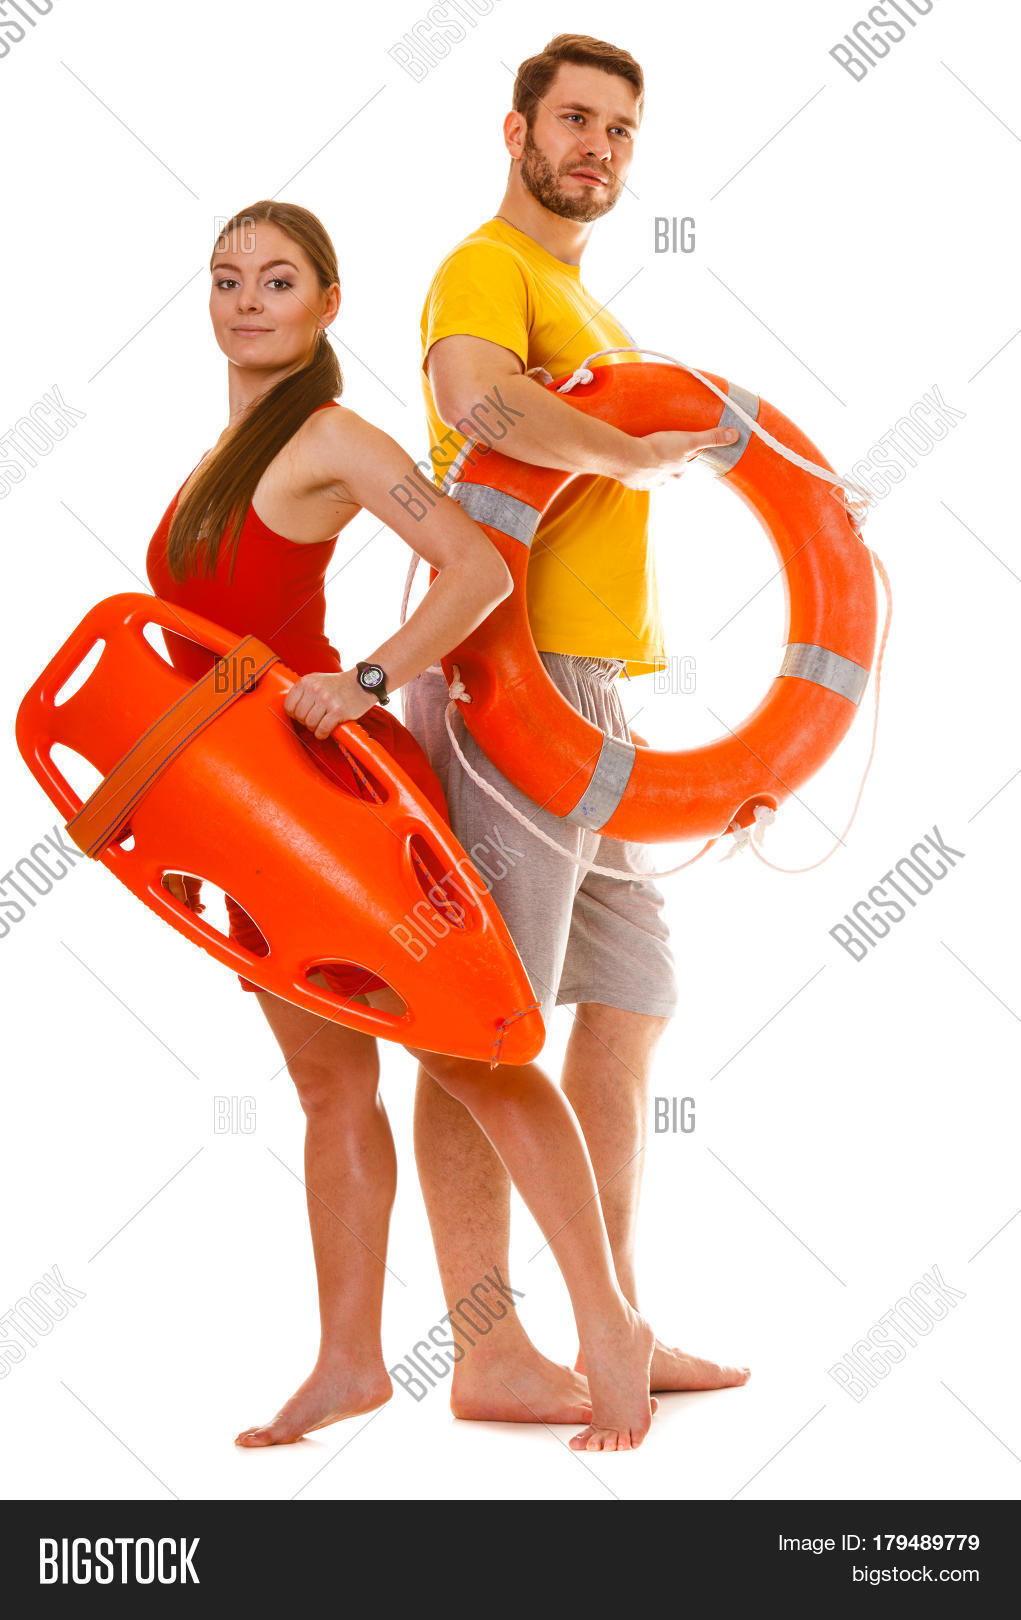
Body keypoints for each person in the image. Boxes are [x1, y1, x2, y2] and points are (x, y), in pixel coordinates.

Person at [146, 199, 659, 1452]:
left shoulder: (329, 433)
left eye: (276, 280)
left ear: (328, 305)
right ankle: (347, 1364)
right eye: (226, 279)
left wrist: (367, 679)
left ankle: (608, 1329)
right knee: (328, 1087)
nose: (245, 300)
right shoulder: (219, 458)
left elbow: (478, 567)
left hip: (334, 794)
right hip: (239, 807)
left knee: (472, 1053)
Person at [402, 34, 750, 1427]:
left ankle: (614, 1318)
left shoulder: (582, 300)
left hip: (592, 688)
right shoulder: (488, 267)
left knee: (627, 1006)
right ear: (516, 129)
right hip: (506, 680)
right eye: (575, 120)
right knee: (484, 1021)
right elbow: (471, 399)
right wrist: (627, 451)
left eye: (619, 128)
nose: (597, 146)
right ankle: (486, 1351)